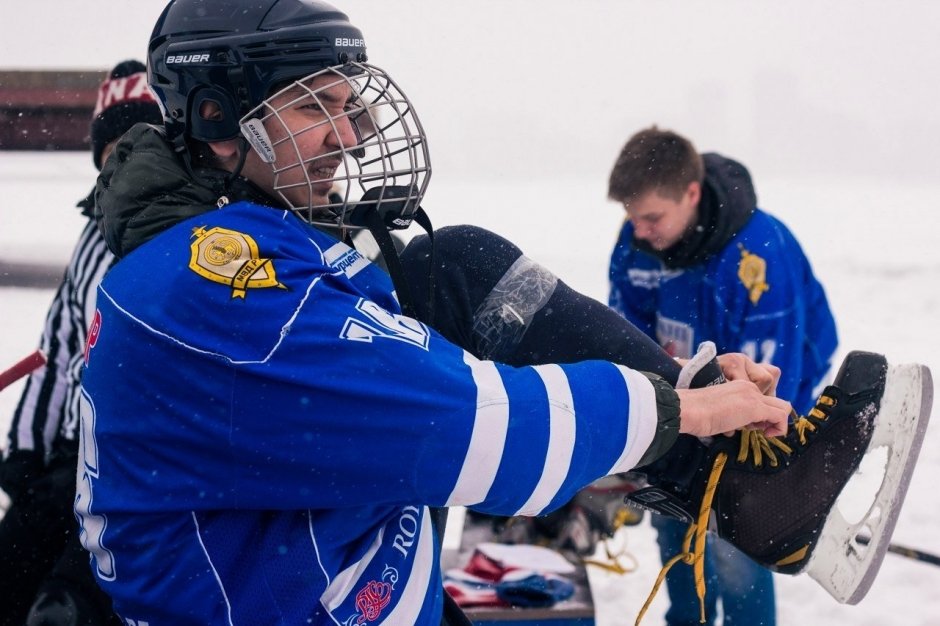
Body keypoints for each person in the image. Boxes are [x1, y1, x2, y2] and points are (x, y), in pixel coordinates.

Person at [78, 1, 930, 624]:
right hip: (307, 606)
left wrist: (683, 378)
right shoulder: (218, 283)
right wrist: (680, 411)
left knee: (452, 263)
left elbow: (454, 334)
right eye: (313, 106)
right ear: (218, 117)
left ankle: (744, 486)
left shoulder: (261, 238)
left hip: (350, 578)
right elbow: (467, 430)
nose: (345, 134)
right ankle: (744, 489)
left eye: (348, 105)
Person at [606, 126, 839, 626]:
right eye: (631, 217)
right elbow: (624, 338)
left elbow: (777, 380)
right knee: (675, 522)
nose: (638, 231)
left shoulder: (759, 257)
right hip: (686, 398)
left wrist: (760, 465)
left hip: (766, 397)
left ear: (690, 194)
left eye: (651, 218)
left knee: (737, 542)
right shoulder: (637, 243)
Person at [0, 61, 163, 625]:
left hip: (137, 461)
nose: (124, 157)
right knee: (10, 564)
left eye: (143, 140)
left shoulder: (183, 230)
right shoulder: (91, 235)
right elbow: (56, 348)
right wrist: (24, 448)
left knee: (67, 603)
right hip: (69, 454)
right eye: (114, 143)